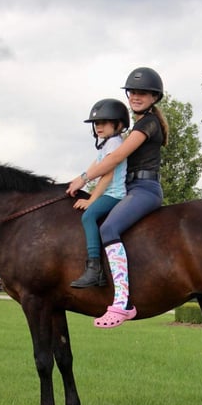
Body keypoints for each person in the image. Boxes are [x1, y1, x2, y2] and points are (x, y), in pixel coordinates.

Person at [66, 67, 168, 328]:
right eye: (132, 92)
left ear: (154, 97)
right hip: (129, 188)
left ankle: (122, 302)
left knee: (110, 227)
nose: (136, 96)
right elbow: (107, 159)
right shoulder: (138, 124)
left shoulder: (148, 124)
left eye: (142, 93)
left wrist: (83, 178)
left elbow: (116, 157)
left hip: (144, 189)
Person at [70, 98, 130, 288]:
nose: (98, 127)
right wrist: (77, 180)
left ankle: (94, 268)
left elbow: (107, 174)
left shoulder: (114, 143)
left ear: (118, 125)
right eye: (96, 123)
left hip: (114, 194)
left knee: (89, 217)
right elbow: (95, 166)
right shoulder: (107, 144)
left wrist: (91, 200)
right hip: (107, 192)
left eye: (103, 123)